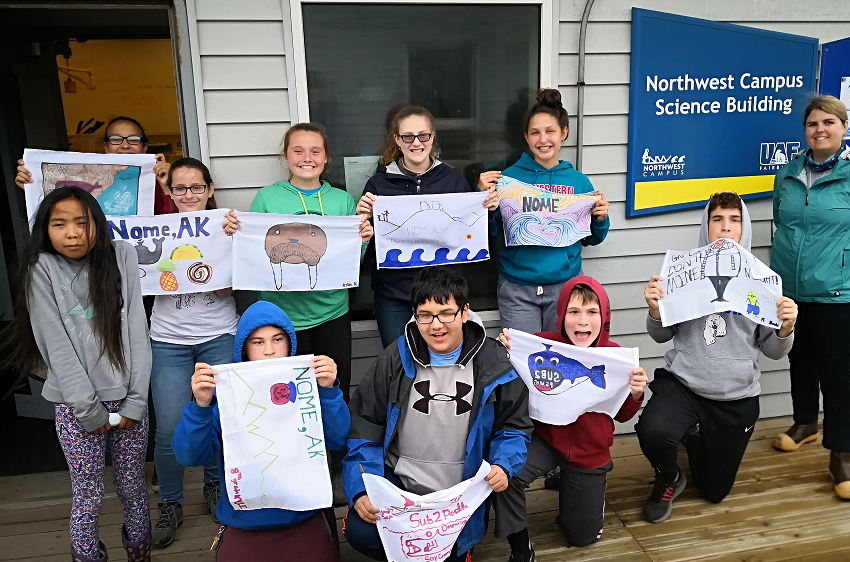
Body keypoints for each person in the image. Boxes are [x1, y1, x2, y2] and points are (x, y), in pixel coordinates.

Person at [3, 187, 157, 562]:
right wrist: (88, 410)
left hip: (129, 402)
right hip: (76, 407)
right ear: (45, 230)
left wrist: (135, 400)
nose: (72, 233)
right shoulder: (41, 270)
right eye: (59, 223)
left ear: (97, 224)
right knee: (87, 495)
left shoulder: (121, 256)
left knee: (133, 488)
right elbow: (57, 346)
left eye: (81, 222)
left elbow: (136, 332)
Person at [342, 266, 531, 562]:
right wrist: (359, 488)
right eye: (425, 315)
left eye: (447, 313)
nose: (437, 326)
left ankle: (429, 552)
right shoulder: (394, 359)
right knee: (359, 530)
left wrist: (505, 463)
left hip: (456, 499)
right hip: (401, 489)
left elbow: (514, 427)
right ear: (413, 315)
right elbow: (364, 427)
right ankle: (401, 561)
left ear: (465, 310)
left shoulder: (493, 361)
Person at [173, 300, 349, 562]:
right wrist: (200, 406)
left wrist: (328, 391)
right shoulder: (226, 394)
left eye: (278, 339)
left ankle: (312, 547)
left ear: (291, 343)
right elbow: (189, 455)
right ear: (243, 349)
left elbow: (340, 437)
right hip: (246, 523)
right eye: (258, 342)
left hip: (303, 516)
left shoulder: (308, 386)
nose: (269, 350)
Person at [636, 192, 798, 523]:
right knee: (652, 428)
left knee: (713, 492)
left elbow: (773, 351)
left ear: (744, 229)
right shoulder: (683, 272)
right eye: (717, 220)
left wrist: (786, 328)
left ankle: (695, 437)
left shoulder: (763, 281)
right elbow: (661, 335)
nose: (725, 229)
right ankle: (669, 476)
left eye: (734, 221)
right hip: (685, 384)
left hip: (735, 396)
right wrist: (655, 310)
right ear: (706, 227)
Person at [490, 276, 648, 562]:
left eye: (591, 312)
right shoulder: (542, 343)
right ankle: (521, 554)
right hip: (546, 440)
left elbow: (622, 417)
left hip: (589, 453)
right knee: (505, 476)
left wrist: (635, 394)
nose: (582, 320)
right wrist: (508, 349)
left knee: (580, 537)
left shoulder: (614, 357)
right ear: (561, 315)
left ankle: (580, 492)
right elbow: (513, 375)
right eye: (574, 311)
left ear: (603, 317)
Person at [770, 96, 850, 500]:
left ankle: (841, 454)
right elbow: (782, 221)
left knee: (837, 373)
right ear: (804, 131)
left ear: (844, 128)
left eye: (828, 122)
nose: (819, 130)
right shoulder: (789, 173)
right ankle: (805, 422)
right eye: (812, 124)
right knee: (799, 357)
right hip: (792, 287)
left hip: (840, 292)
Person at [223, 122, 372, 403]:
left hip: (332, 314)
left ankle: (335, 448)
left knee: (334, 392)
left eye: (315, 151)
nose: (307, 158)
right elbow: (257, 253)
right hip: (280, 319)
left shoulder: (342, 201)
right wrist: (235, 233)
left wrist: (363, 241)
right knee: (287, 399)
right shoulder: (268, 197)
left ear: (326, 157)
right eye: (298, 151)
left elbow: (350, 265)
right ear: (286, 156)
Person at [147, 158, 239, 549]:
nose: (189, 195)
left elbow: (243, 281)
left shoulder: (227, 225)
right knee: (168, 427)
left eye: (196, 187)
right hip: (168, 339)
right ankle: (170, 501)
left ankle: (215, 486)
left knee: (219, 419)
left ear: (210, 189)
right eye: (180, 188)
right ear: (169, 192)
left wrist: (224, 272)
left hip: (218, 334)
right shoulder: (153, 227)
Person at [477, 88, 611, 334]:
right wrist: (482, 202)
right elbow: (489, 230)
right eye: (535, 133)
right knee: (521, 361)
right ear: (526, 138)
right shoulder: (507, 179)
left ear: (564, 133)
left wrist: (600, 219)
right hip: (516, 287)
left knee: (561, 359)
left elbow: (593, 238)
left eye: (550, 131)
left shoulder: (579, 182)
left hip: (566, 287)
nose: (543, 139)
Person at [356, 105, 484, 348]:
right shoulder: (378, 185)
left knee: (441, 364)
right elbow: (364, 244)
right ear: (397, 139)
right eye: (408, 136)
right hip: (394, 295)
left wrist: (484, 207)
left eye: (423, 135)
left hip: (444, 296)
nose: (416, 142)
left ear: (432, 137)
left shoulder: (454, 180)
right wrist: (362, 218)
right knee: (398, 366)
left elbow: (469, 232)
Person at [15, 116, 177, 215]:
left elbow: (173, 221)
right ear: (106, 147)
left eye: (133, 139)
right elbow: (58, 215)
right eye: (116, 139)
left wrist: (168, 185)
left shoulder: (156, 179)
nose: (125, 145)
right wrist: (32, 187)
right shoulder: (88, 178)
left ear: (145, 148)